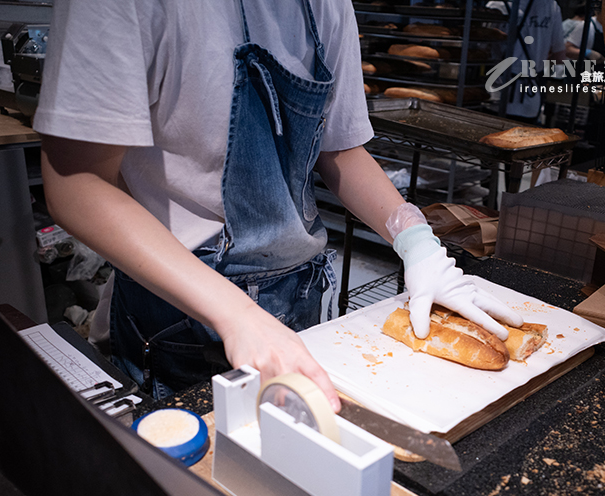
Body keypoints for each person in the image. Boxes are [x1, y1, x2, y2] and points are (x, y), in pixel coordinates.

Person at [34, 0, 523, 406]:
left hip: (300, 290)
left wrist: (417, 243)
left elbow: (339, 149)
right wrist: (236, 314)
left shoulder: (325, 6)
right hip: (181, 307)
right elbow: (76, 184)